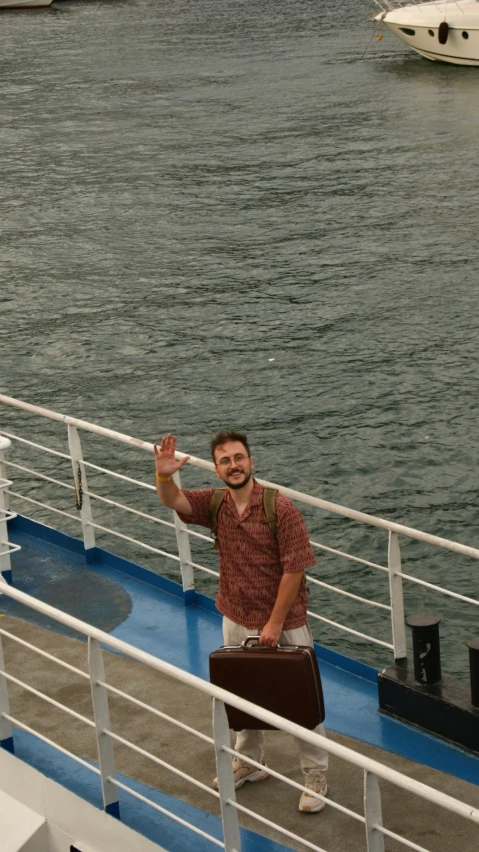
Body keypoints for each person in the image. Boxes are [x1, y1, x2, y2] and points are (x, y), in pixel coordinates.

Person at [154, 430, 328, 813]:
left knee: (300, 702)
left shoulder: (280, 508)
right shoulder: (216, 505)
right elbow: (174, 501)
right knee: (240, 698)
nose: (233, 465)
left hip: (285, 622)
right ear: (217, 470)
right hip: (234, 616)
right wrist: (165, 475)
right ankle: (249, 763)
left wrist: (274, 624)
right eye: (225, 460)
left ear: (251, 462)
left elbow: (294, 569)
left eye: (238, 457)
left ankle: (315, 774)